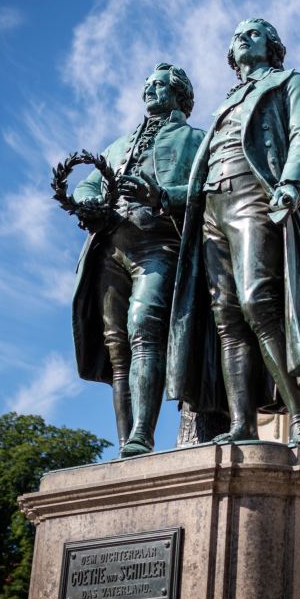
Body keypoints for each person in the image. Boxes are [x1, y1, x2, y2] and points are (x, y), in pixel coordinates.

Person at [167, 19, 300, 449]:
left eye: (254, 33)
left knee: (258, 300)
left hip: (254, 194)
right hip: (210, 209)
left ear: (273, 46)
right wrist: (160, 194)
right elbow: (201, 171)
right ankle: (242, 423)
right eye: (237, 36)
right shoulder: (225, 103)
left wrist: (292, 183)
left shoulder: (291, 81)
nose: (243, 38)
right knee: (227, 317)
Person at [71, 63, 205, 457]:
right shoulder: (116, 146)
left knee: (144, 327)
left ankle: (142, 435)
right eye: (147, 84)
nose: (150, 90)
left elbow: (204, 188)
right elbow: (88, 183)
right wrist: (86, 201)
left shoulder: (195, 139)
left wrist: (161, 194)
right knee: (117, 347)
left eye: (160, 85)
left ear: (179, 94)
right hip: (109, 247)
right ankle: (127, 442)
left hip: (159, 243)